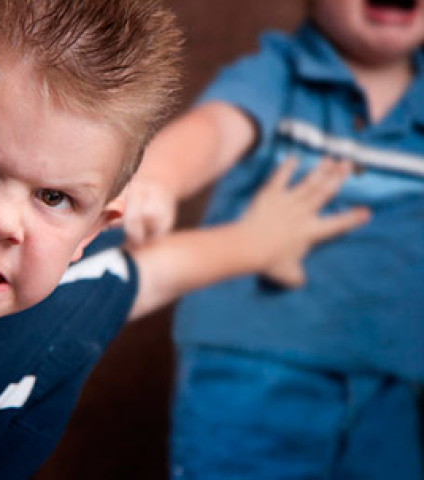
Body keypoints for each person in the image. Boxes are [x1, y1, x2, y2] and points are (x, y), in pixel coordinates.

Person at [0, 0, 368, 478]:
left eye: (54, 198)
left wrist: (261, 241)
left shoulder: (55, 293)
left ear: (92, 230)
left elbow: (148, 274)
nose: (4, 221)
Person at [123, 0, 424, 478]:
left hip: (389, 383)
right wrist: (159, 177)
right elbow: (217, 129)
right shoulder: (280, 73)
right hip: (253, 372)